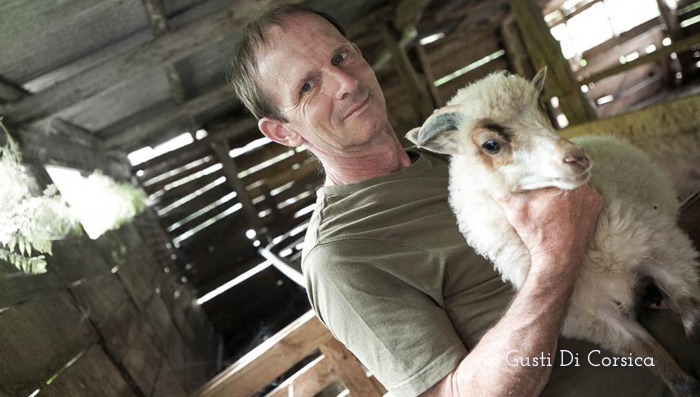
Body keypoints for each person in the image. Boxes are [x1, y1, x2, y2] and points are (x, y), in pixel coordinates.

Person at [228, 5, 700, 396]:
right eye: (307, 86)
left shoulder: (463, 157)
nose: (345, 82)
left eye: (342, 56)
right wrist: (555, 258)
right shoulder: (344, 255)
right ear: (282, 131)